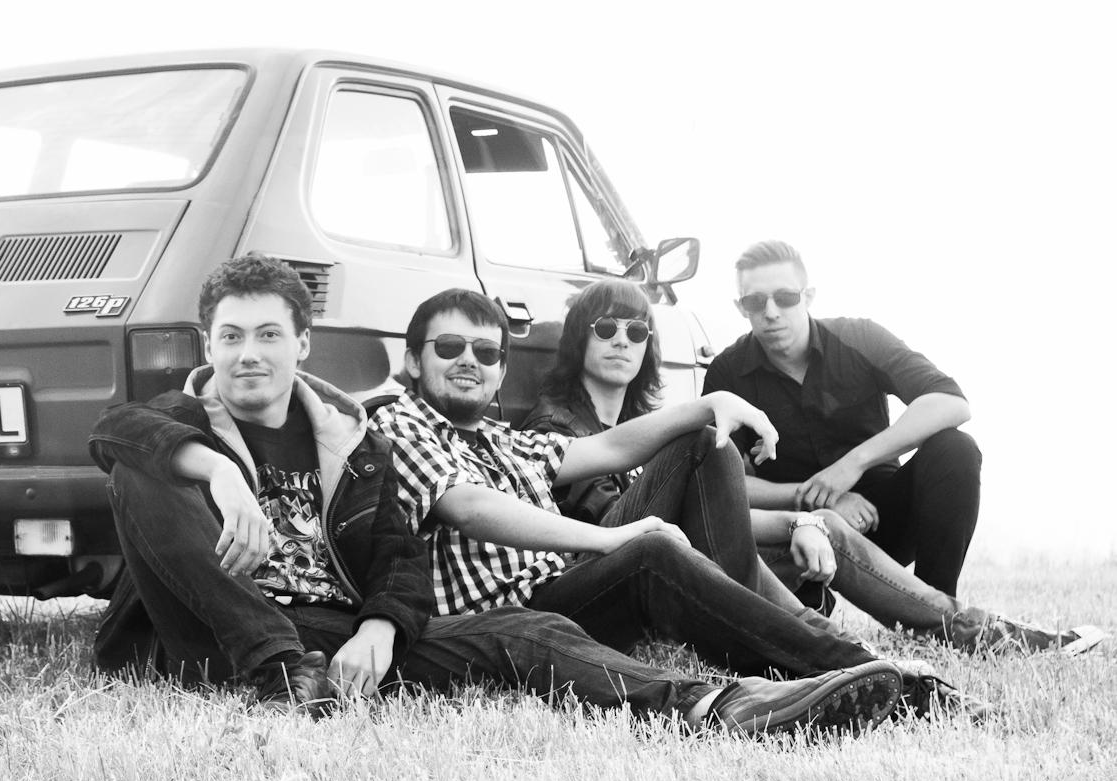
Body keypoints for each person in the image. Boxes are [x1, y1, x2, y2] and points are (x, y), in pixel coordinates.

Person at [88, 254, 904, 734]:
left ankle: (728, 703)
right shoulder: (183, 423)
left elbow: (399, 557)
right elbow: (116, 431)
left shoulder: (352, 441)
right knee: (143, 467)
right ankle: (273, 673)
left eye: (269, 335)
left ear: (302, 344)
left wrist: (379, 626)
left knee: (531, 632)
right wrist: (218, 471)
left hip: (333, 636)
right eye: (231, 336)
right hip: (226, 637)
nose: (249, 355)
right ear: (208, 345)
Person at [524, 278, 1104, 656]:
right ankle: (855, 642)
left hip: (686, 559)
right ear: (578, 341)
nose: (622, 342)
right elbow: (624, 533)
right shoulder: (558, 428)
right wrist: (798, 510)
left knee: (831, 520)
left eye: (636, 331)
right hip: (629, 578)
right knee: (712, 448)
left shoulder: (638, 424)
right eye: (605, 329)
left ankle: (965, 631)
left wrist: (804, 521)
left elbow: (704, 513)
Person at [703, 240, 979, 597]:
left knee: (955, 448)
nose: (771, 312)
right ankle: (809, 607)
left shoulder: (860, 338)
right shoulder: (727, 373)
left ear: (808, 296)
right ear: (740, 307)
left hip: (881, 517)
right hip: (800, 532)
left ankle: (937, 609)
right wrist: (822, 498)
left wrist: (852, 464)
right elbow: (719, 483)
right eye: (755, 301)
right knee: (796, 612)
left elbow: (951, 402)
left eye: (785, 297)